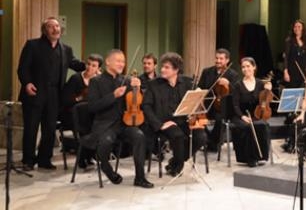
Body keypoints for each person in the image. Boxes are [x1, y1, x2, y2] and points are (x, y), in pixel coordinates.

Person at [17, 17, 86, 171]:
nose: (55, 29)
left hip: (55, 95)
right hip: (34, 93)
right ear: (44, 30)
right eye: (51, 26)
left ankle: (44, 159)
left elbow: (75, 64)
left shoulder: (66, 49)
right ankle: (28, 160)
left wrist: (90, 66)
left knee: (49, 128)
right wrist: (27, 83)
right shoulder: (32, 45)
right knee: (31, 128)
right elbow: (23, 68)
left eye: (57, 26)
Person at [86, 50, 153, 188]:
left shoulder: (127, 80)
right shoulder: (95, 81)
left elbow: (135, 102)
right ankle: (106, 168)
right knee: (106, 141)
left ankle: (140, 178)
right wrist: (113, 96)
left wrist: (137, 89)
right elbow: (92, 107)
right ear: (108, 62)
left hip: (124, 123)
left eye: (123, 61)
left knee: (139, 136)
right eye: (118, 61)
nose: (122, 64)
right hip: (105, 124)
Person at [142, 52, 207, 177]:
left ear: (176, 70)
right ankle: (177, 166)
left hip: (184, 120)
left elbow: (195, 102)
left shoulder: (188, 82)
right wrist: (159, 125)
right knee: (178, 136)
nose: (162, 69)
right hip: (164, 122)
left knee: (201, 137)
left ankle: (175, 162)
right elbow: (146, 106)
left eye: (166, 67)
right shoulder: (154, 84)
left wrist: (198, 96)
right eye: (162, 66)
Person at [60, 53, 103, 168]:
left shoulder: (98, 81)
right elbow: (65, 100)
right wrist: (81, 97)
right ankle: (83, 157)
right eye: (88, 64)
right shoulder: (75, 78)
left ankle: (89, 155)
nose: (89, 67)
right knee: (88, 124)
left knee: (99, 123)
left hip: (89, 115)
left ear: (99, 69)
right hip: (71, 114)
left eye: (94, 66)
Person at [230, 57, 271, 167]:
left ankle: (261, 156)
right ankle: (250, 158)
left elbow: (264, 101)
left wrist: (268, 91)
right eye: (243, 67)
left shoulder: (260, 83)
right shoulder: (238, 85)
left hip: (256, 114)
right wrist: (242, 116)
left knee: (262, 124)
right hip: (240, 115)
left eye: (248, 66)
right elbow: (235, 105)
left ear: (254, 67)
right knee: (247, 127)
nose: (245, 69)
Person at [198, 48, 240, 151]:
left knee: (219, 119)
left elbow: (236, 93)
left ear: (227, 60)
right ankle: (207, 140)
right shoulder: (207, 71)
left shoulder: (232, 74)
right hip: (207, 104)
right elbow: (200, 86)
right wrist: (198, 91)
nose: (218, 61)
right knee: (196, 118)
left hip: (223, 106)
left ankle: (213, 143)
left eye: (221, 59)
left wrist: (228, 84)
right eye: (217, 58)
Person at [283, 20, 306, 89]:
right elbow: (286, 57)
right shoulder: (289, 41)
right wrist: (285, 71)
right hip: (292, 70)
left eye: (299, 26)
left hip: (303, 69)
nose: (297, 28)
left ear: (302, 28)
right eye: (295, 27)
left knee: (303, 89)